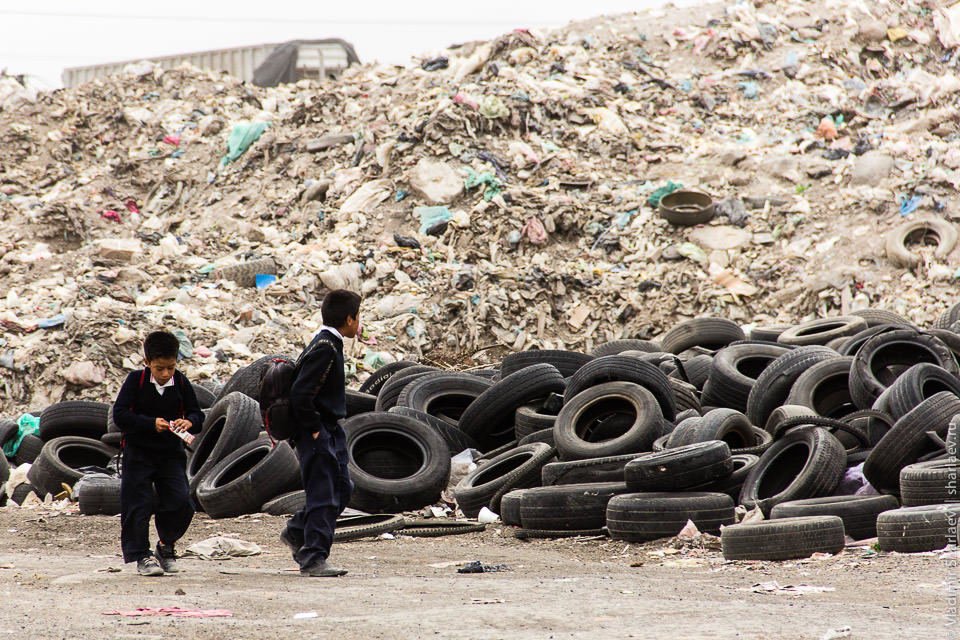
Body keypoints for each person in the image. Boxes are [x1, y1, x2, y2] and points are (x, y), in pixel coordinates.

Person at [281, 289, 360, 577]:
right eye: (358, 318)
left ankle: (297, 530)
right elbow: (301, 393)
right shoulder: (326, 347)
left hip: (329, 428)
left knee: (342, 489)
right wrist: (314, 431)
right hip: (317, 431)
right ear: (350, 319)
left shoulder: (328, 343)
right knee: (324, 494)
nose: (359, 324)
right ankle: (314, 557)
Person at [113, 330, 204, 576]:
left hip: (170, 454)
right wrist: (150, 423)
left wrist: (190, 422)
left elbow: (198, 414)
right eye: (159, 368)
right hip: (139, 453)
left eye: (171, 368)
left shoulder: (182, 382)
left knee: (181, 501)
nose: (165, 374)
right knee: (138, 505)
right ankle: (142, 556)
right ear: (147, 363)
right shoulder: (136, 381)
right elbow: (120, 415)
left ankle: (166, 546)